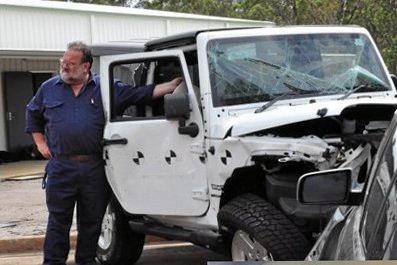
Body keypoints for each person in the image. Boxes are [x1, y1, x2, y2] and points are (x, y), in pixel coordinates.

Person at [25, 41, 181, 265]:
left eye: (70, 63)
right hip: (61, 167)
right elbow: (32, 114)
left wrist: (172, 85)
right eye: (63, 62)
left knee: (92, 222)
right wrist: (40, 142)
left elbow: (139, 94)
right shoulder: (49, 88)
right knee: (58, 222)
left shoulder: (106, 87)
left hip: (94, 167)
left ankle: (86, 262)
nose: (64, 66)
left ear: (86, 66)